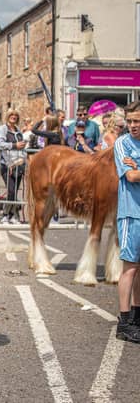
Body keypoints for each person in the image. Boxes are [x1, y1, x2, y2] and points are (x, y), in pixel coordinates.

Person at [112, 103, 140, 343]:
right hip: (132, 213)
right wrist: (136, 170)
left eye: (137, 121)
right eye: (130, 121)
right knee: (130, 267)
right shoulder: (122, 143)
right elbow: (130, 176)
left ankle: (137, 316)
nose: (132, 126)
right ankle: (124, 322)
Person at [0, 108, 27, 224]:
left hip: (18, 164)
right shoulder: (2, 129)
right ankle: (5, 215)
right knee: (11, 190)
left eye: (16, 115)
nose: (14, 117)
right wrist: (14, 145)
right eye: (11, 115)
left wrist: (22, 159)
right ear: (7, 116)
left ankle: (12, 215)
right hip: (7, 164)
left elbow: (22, 147)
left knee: (14, 191)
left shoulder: (18, 131)